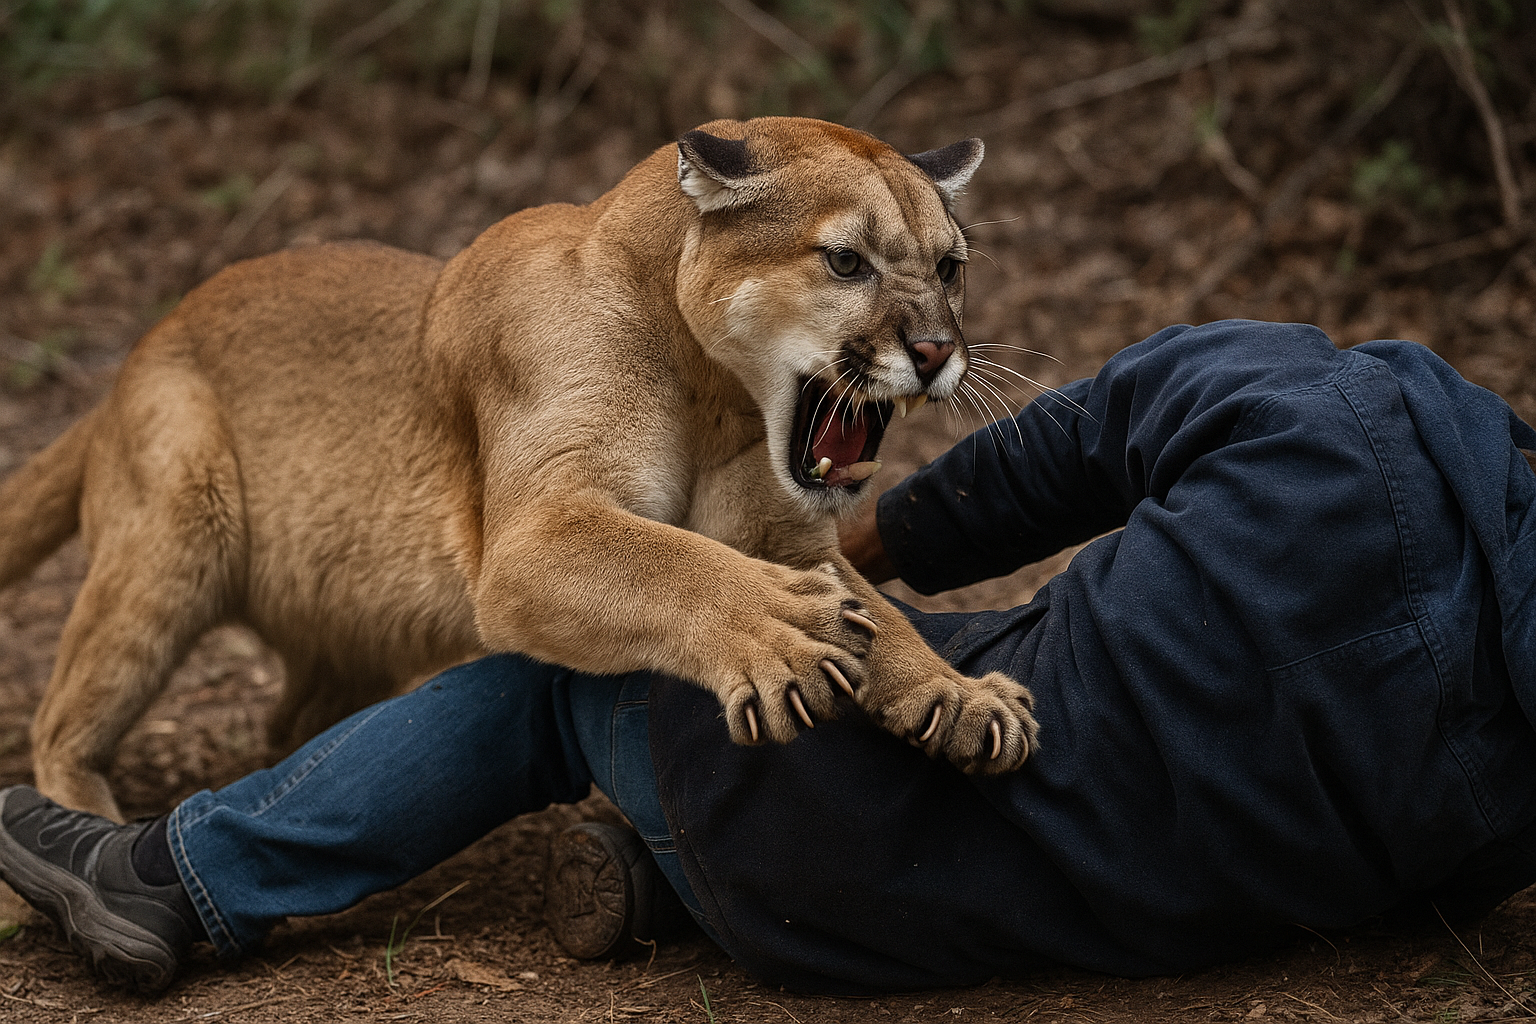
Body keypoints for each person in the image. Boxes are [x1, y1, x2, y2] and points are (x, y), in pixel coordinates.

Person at [2, 320, 1534, 996]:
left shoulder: (1349, 416)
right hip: (923, 952)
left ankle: (177, 877)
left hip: (803, 816)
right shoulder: (1515, 785)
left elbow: (1055, 457)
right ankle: (655, 885)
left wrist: (830, 557)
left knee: (562, 685)